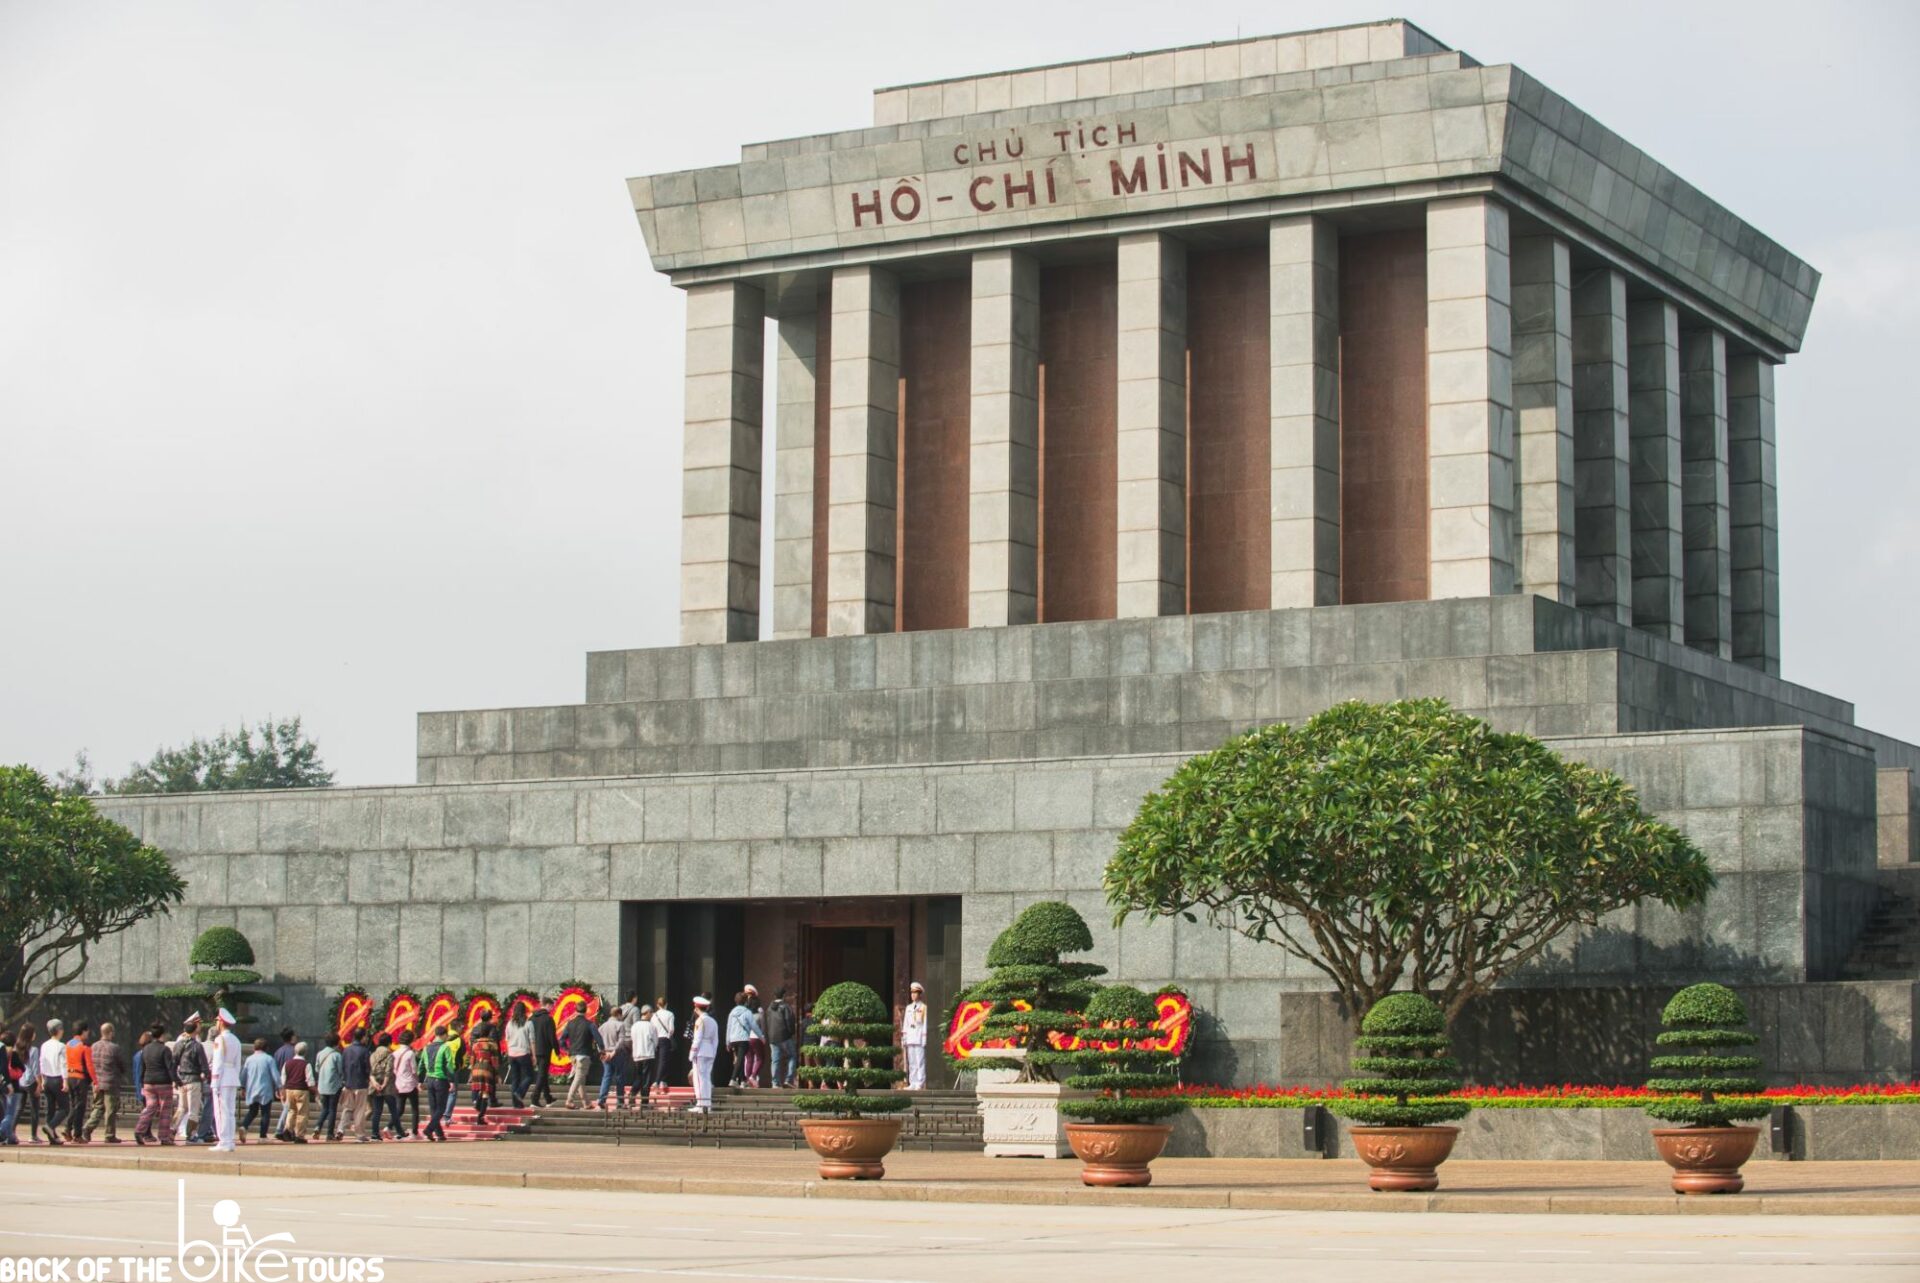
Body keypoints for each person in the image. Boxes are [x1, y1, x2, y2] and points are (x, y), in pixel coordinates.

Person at [133, 1022, 175, 1145]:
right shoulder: (165, 1049)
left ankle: (139, 1130)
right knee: (165, 1110)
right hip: (163, 1083)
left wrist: (141, 1081)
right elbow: (170, 1067)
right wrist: (176, 1081)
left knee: (150, 1107)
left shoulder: (145, 1049)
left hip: (148, 1082)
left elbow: (143, 1067)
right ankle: (164, 1137)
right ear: (162, 1034)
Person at [208, 1009, 244, 1153]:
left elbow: (218, 1062)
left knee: (221, 1111)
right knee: (230, 1111)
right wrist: (235, 1076)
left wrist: (215, 1080)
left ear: (221, 1022)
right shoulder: (236, 1040)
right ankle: (229, 1140)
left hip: (222, 1078)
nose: (216, 1023)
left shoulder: (219, 1039)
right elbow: (238, 1063)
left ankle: (224, 1141)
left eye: (217, 1021)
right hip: (232, 1077)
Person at [84, 1022, 125, 1142]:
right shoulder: (114, 1048)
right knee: (110, 1110)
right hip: (110, 1082)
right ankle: (109, 1135)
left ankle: (87, 1128)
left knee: (98, 1107)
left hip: (97, 1082)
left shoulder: (93, 1046)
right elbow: (121, 1065)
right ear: (111, 1033)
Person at [171, 1016, 208, 1143]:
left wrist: (176, 1079)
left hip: (182, 1080)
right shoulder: (197, 1046)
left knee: (182, 1108)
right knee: (193, 1111)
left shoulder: (178, 1044)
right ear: (194, 1030)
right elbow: (204, 1065)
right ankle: (191, 1135)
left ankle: (171, 1131)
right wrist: (205, 1075)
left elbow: (173, 1064)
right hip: (194, 1080)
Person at [240, 1037, 280, 1141]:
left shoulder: (249, 1059)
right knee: (265, 1113)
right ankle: (262, 1136)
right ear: (266, 1048)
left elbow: (243, 1075)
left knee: (252, 1111)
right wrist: (280, 1087)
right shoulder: (269, 1059)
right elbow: (275, 1075)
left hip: (252, 1089)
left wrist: (243, 1087)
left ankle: (244, 1126)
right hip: (265, 1089)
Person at [560, 1005, 599, 1109]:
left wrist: (568, 1050)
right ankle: (569, 1099)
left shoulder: (570, 1023)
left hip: (573, 1055)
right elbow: (598, 1038)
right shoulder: (590, 1024)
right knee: (579, 1077)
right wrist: (602, 1050)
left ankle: (586, 1102)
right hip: (584, 1054)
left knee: (580, 1078)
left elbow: (562, 1040)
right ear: (586, 1011)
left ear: (576, 1010)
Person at [38, 1019, 69, 1146]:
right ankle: (50, 1126)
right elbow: (63, 1064)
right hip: (57, 1079)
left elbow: (42, 1062)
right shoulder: (61, 1046)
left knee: (50, 1108)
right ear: (59, 1030)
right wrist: (65, 1081)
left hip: (47, 1079)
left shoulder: (44, 1045)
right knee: (65, 1108)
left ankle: (52, 1137)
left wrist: (43, 1079)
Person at [687, 995, 718, 1114]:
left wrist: (692, 1053)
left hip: (700, 1051)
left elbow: (697, 1039)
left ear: (697, 1008)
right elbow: (716, 1040)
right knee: (706, 1079)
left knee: (698, 1079)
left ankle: (700, 1104)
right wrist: (714, 1052)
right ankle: (707, 1104)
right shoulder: (713, 1021)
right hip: (709, 1051)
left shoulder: (700, 1021)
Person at [339, 1029, 372, 1141]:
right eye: (366, 1036)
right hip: (361, 1084)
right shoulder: (364, 1051)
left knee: (347, 1108)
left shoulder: (346, 1050)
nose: (366, 1039)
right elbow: (367, 1068)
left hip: (348, 1084)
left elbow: (343, 1066)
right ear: (362, 1037)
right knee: (359, 1110)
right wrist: (368, 1078)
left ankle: (340, 1129)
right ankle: (359, 1134)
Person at [63, 1022, 93, 1141]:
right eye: (87, 1031)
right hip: (80, 1078)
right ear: (83, 1031)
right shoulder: (84, 1046)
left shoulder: (68, 1044)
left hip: (70, 1076)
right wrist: (95, 1081)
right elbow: (90, 1066)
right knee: (80, 1107)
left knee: (74, 1105)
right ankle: (75, 1133)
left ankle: (70, 1131)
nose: (88, 1033)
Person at [596, 1005, 630, 1111]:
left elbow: (598, 1042)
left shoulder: (602, 1026)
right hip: (618, 1053)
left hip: (605, 1054)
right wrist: (613, 1052)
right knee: (620, 1077)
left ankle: (601, 1100)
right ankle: (620, 1102)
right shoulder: (620, 1025)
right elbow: (621, 1041)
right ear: (619, 1015)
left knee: (607, 1076)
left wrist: (602, 1053)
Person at [465, 1021, 498, 1125]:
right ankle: (480, 1117)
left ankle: (478, 1105)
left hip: (476, 1069)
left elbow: (472, 1060)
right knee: (485, 1093)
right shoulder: (492, 1045)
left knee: (480, 1090)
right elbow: (494, 1061)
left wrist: (471, 1072)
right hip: (486, 1068)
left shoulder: (475, 1045)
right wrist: (496, 1074)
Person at [420, 1028, 451, 1142]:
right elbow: (449, 1065)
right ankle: (429, 1129)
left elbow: (421, 1065)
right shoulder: (445, 1047)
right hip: (441, 1079)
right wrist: (451, 1079)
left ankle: (439, 1133)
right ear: (443, 1035)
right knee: (441, 1108)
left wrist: (420, 1080)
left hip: (430, 1080)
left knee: (434, 1109)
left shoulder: (426, 1047)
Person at [313, 1034, 343, 1140]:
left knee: (325, 1108)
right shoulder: (337, 1055)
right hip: (334, 1086)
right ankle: (330, 1134)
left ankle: (318, 1126)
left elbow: (317, 1069)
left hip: (322, 1085)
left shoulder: (320, 1054)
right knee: (332, 1109)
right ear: (336, 1043)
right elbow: (340, 1071)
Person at [901, 983, 930, 1091]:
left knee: (920, 1062)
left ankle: (920, 1082)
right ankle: (912, 1082)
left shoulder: (923, 1007)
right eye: (912, 993)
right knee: (912, 1062)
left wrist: (924, 1038)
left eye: (915, 993)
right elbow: (906, 1023)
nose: (913, 995)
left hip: (918, 1037)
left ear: (920, 994)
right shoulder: (909, 1007)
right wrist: (904, 1037)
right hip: (910, 1037)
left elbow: (925, 1024)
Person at [503, 1005, 533, 1107]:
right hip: (523, 1052)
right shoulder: (528, 1023)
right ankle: (520, 1093)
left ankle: (516, 1103)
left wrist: (508, 1052)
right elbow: (532, 1040)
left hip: (512, 1053)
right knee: (529, 1076)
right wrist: (534, 1055)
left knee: (515, 1079)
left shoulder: (509, 1024)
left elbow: (507, 1039)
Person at [392, 1031, 421, 1138]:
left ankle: (390, 1127)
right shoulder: (410, 1053)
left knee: (399, 1109)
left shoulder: (394, 1053)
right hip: (410, 1084)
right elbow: (414, 1070)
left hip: (398, 1084)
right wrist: (417, 1081)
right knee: (414, 1109)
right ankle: (414, 1132)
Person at [527, 1003, 557, 1108]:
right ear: (548, 1005)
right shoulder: (548, 1019)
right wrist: (557, 1050)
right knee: (542, 1074)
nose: (552, 1009)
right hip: (545, 1050)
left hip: (534, 1050)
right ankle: (535, 1098)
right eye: (551, 1006)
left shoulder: (531, 1018)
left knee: (542, 1074)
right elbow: (552, 1036)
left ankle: (548, 1098)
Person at [270, 1027, 298, 1139]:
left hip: (281, 1085)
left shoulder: (278, 1052)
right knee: (289, 1109)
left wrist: (277, 1087)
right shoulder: (294, 1051)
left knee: (288, 1108)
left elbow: (275, 1070)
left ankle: (289, 1131)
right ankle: (280, 1129)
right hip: (291, 1085)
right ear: (291, 1037)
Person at [766, 991, 797, 1090]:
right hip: (784, 1036)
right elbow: (789, 1020)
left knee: (775, 1060)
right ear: (783, 996)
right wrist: (792, 1032)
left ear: (774, 996)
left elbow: (768, 1022)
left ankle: (775, 1083)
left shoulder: (769, 1008)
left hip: (773, 1037)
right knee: (792, 1056)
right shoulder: (786, 1007)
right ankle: (789, 1080)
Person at [280, 1042, 311, 1143]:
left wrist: (283, 1090)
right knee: (302, 1113)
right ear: (306, 1052)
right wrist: (315, 1090)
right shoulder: (306, 1064)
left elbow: (283, 1079)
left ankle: (288, 1130)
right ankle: (299, 1135)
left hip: (289, 1089)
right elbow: (309, 1080)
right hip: (301, 1089)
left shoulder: (287, 1063)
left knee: (291, 1111)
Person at [368, 1032, 396, 1140]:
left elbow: (370, 1071)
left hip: (375, 1085)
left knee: (377, 1111)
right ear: (389, 1043)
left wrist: (375, 1083)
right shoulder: (389, 1054)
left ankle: (374, 1134)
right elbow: (388, 1071)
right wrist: (384, 1084)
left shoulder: (373, 1054)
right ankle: (399, 1131)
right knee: (393, 1109)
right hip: (387, 1086)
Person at [724, 992, 753, 1089]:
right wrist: (761, 1036)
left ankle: (743, 1080)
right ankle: (733, 1079)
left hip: (733, 1039)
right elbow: (753, 1025)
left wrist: (727, 1041)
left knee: (739, 1060)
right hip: (743, 1038)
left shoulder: (732, 1012)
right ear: (745, 1001)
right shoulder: (747, 1012)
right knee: (740, 1059)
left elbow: (728, 1027)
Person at [630, 1004, 657, 1108]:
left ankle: (633, 1093)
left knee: (638, 1076)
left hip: (637, 1054)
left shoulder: (634, 1026)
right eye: (651, 1013)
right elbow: (655, 1041)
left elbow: (633, 1039)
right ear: (648, 1013)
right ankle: (644, 1101)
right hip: (648, 1054)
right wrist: (653, 1048)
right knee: (646, 1079)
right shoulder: (651, 1026)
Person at [648, 998, 675, 1104]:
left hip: (656, 1038)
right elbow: (671, 1029)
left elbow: (652, 1028)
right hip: (665, 1038)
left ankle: (662, 1081)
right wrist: (669, 1036)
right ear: (666, 1004)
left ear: (657, 1005)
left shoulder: (654, 1015)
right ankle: (658, 1081)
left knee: (659, 1060)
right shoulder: (670, 1014)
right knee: (664, 1060)